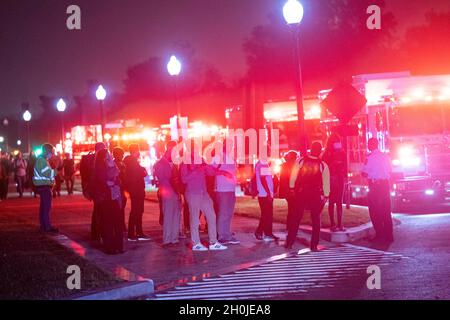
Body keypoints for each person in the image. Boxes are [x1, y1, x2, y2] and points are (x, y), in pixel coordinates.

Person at [180, 150, 228, 251]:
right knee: (194, 218)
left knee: (211, 215)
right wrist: (195, 171)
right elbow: (184, 179)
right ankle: (196, 243)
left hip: (204, 193)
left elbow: (210, 171)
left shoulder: (201, 160)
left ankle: (213, 242)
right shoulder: (185, 163)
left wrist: (221, 172)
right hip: (193, 193)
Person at [287, 142, 330, 251]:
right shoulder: (322, 165)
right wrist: (326, 195)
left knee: (296, 218)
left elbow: (293, 175)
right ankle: (314, 245)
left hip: (301, 192)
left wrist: (292, 188)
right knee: (316, 220)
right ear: (320, 151)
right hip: (315, 194)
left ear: (311, 149)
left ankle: (290, 242)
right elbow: (326, 182)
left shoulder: (301, 160)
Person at [92, 148, 124, 254]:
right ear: (103, 157)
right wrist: (107, 182)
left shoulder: (112, 165)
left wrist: (114, 179)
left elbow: (117, 177)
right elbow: (101, 181)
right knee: (108, 223)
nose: (109, 156)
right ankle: (109, 247)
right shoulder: (99, 167)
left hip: (114, 196)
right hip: (105, 198)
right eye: (107, 155)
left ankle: (118, 246)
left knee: (117, 222)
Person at [362, 138, 394, 243]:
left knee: (375, 211)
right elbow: (390, 170)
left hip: (375, 186)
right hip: (385, 185)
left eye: (368, 144)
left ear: (371, 145)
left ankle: (380, 235)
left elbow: (364, 173)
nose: (367, 145)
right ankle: (389, 236)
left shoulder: (369, 158)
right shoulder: (385, 156)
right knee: (386, 211)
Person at [154, 141, 182, 245]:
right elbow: (163, 178)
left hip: (174, 191)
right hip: (167, 191)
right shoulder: (161, 163)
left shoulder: (173, 162)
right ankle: (167, 238)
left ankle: (174, 238)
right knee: (169, 215)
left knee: (176, 215)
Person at [212, 139, 239, 245]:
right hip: (222, 189)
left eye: (232, 145)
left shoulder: (230, 158)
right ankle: (222, 236)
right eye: (229, 145)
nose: (231, 147)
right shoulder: (219, 157)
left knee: (228, 213)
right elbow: (210, 169)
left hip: (231, 189)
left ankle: (227, 233)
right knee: (223, 213)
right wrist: (223, 172)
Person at [124, 144, 150, 242]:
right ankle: (135, 232)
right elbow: (142, 173)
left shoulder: (130, 162)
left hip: (134, 189)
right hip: (136, 189)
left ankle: (137, 232)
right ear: (135, 151)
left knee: (137, 211)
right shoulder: (133, 162)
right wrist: (143, 171)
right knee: (137, 211)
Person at [322, 134, 348, 232]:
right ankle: (336, 224)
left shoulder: (340, 152)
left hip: (336, 179)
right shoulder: (329, 153)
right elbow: (325, 166)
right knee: (335, 202)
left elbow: (345, 166)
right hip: (334, 179)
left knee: (336, 202)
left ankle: (337, 224)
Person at [33, 143, 58, 233]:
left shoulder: (42, 160)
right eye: (51, 152)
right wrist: (56, 170)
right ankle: (47, 227)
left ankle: (44, 226)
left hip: (43, 186)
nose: (52, 154)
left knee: (44, 207)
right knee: (46, 208)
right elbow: (47, 173)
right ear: (47, 151)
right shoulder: (42, 160)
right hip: (44, 187)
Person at [254, 156, 279, 242]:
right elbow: (263, 179)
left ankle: (268, 233)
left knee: (267, 214)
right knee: (266, 214)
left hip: (266, 193)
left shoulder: (263, 164)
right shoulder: (262, 164)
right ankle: (260, 231)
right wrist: (268, 193)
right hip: (264, 194)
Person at [278, 150, 299, 236]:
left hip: (288, 190)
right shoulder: (295, 166)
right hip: (292, 190)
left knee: (291, 208)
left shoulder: (285, 166)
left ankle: (290, 226)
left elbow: (282, 179)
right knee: (294, 209)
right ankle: (292, 226)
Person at [113, 147, 127, 232]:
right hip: (118, 188)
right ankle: (120, 225)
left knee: (120, 208)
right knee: (119, 208)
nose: (122, 156)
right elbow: (123, 176)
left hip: (120, 189)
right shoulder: (118, 164)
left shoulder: (116, 163)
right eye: (121, 154)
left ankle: (121, 225)